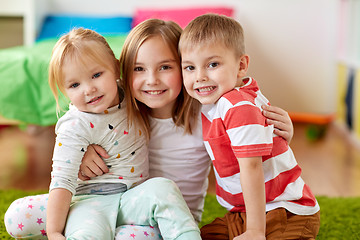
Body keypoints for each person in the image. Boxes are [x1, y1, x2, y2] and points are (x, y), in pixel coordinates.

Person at [4, 20, 293, 240]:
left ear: (185, 67)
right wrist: (83, 151)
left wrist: (282, 130)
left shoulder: (206, 111)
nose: (151, 80)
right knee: (16, 216)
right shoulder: (122, 108)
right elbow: (80, 111)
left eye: (165, 67)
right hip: (101, 201)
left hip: (163, 220)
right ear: (123, 72)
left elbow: (246, 125)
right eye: (139, 69)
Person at [5, 28, 201, 240]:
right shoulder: (74, 126)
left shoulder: (131, 96)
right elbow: (62, 181)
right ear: (64, 90)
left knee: (163, 188)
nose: (89, 89)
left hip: (130, 198)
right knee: (82, 232)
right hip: (90, 201)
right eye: (74, 84)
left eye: (96, 75)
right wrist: (54, 232)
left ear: (117, 68)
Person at [178, 13, 320, 240]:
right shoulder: (219, 101)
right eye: (189, 67)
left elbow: (252, 167)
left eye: (213, 64)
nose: (200, 77)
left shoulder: (236, 105)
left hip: (285, 209)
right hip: (245, 211)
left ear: (241, 65)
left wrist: (255, 230)